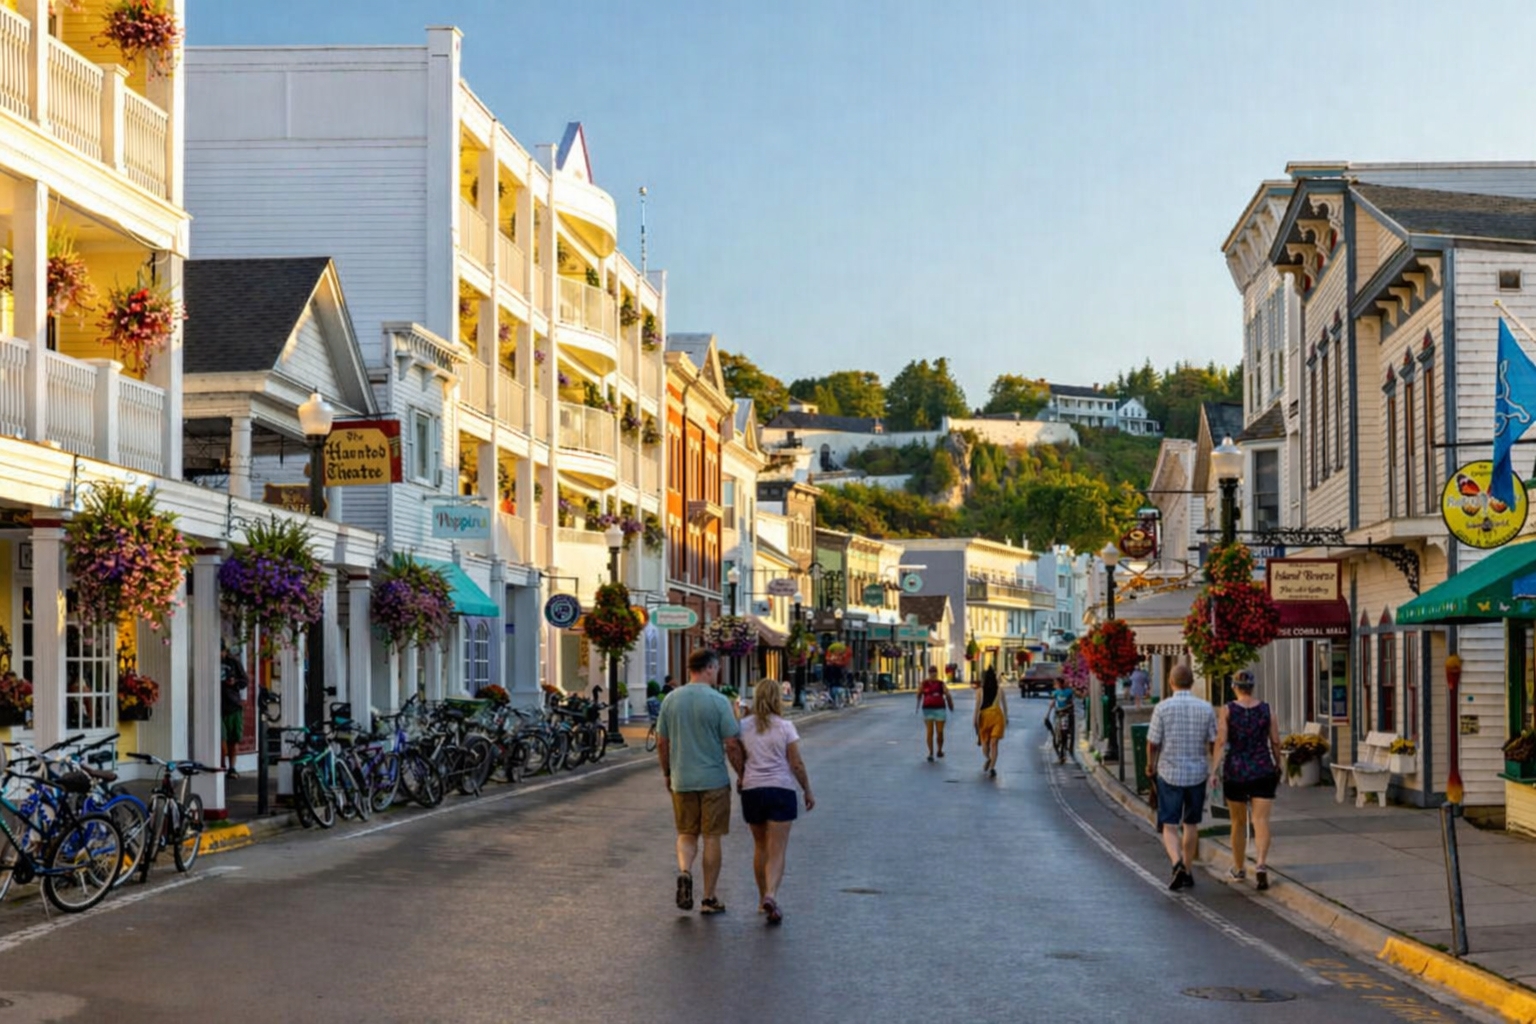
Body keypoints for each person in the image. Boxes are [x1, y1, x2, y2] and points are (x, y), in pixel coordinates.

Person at [655, 648, 745, 915]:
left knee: (686, 833)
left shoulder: (671, 700)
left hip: (682, 779)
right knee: (712, 837)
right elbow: (732, 743)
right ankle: (708, 898)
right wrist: (742, 773)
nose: (717, 673)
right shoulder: (719, 701)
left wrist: (668, 772)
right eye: (716, 668)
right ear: (709, 668)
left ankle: (685, 871)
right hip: (713, 779)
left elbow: (662, 742)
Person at [737, 678, 815, 925]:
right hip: (781, 789)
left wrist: (742, 775)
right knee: (777, 850)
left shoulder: (743, 726)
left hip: (752, 789)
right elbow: (796, 763)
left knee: (760, 846)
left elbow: (738, 754)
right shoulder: (785, 727)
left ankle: (762, 899)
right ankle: (771, 894)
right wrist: (807, 790)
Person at [1147, 664, 1217, 891]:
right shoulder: (1205, 708)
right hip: (1197, 773)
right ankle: (1187, 868)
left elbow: (1153, 742)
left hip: (1169, 772)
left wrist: (1150, 765)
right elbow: (1214, 742)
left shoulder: (1162, 708)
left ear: (1171, 682)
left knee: (1169, 825)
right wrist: (1214, 768)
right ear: (1192, 683)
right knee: (1191, 824)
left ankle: (1176, 862)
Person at [1214, 669, 1282, 891]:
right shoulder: (1267, 710)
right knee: (1260, 820)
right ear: (1252, 687)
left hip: (1236, 770)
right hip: (1262, 768)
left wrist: (1213, 770)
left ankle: (1239, 867)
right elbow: (1275, 741)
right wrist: (1278, 763)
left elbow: (1221, 740)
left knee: (1238, 822)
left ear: (1234, 687)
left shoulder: (1227, 710)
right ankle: (1261, 864)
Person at [219, 641, 249, 779]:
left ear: (225, 651)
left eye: (221, 651)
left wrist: (234, 682)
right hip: (217, 706)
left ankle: (232, 767)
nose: (219, 654)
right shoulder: (209, 663)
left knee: (233, 739)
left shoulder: (233, 663)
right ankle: (221, 766)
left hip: (233, 704)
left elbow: (245, 680)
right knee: (221, 739)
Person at [974, 666, 1009, 778]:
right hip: (987, 718)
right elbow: (977, 707)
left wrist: (1006, 718)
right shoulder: (980, 691)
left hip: (994, 718)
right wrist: (975, 720)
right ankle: (989, 759)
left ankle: (992, 767)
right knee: (986, 743)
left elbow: (1004, 706)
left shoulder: (999, 690)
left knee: (993, 743)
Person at [917, 667, 954, 761]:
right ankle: (930, 753)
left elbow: (947, 693)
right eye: (931, 672)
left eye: (934, 672)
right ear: (929, 673)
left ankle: (939, 750)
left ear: (937, 673)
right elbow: (918, 694)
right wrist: (919, 692)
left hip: (940, 709)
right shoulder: (924, 683)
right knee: (930, 732)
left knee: (940, 732)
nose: (933, 674)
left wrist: (950, 704)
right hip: (928, 710)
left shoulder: (941, 683)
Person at [1047, 680, 1076, 763]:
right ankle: (1059, 749)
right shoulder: (1056, 692)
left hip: (1065, 714)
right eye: (1056, 684)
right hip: (1058, 714)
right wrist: (1047, 714)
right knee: (1056, 732)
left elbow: (1071, 703)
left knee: (1064, 733)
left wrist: (1067, 707)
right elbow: (1053, 702)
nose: (1057, 685)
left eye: (1058, 684)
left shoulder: (1069, 692)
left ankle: (1063, 751)